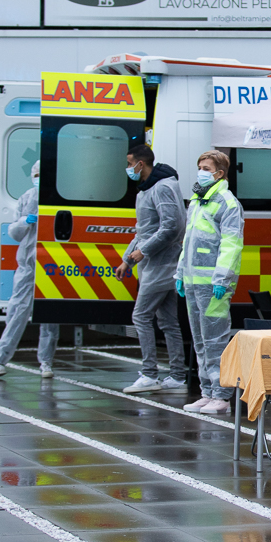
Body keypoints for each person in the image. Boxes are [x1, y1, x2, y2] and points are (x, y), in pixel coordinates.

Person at [176, 150, 244, 415]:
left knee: (215, 340)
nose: (201, 172)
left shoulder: (227, 203)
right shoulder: (198, 201)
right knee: (200, 340)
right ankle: (207, 392)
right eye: (200, 167)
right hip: (194, 282)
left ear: (220, 173)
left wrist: (222, 279)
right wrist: (180, 273)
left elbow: (231, 244)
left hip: (214, 285)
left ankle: (222, 396)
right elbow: (188, 241)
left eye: (206, 168)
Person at [0, 161, 60, 379]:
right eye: (37, 174)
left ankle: (46, 362)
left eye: (43, 174)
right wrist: (25, 221)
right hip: (28, 264)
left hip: (52, 263)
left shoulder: (58, 197)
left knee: (49, 315)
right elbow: (15, 233)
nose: (39, 178)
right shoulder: (27, 198)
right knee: (17, 312)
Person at [117, 145, 189, 394]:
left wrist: (143, 251)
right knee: (168, 321)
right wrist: (128, 260)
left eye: (130, 163)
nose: (128, 168)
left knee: (141, 316)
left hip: (161, 265)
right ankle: (177, 377)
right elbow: (144, 230)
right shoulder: (147, 189)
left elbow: (172, 227)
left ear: (141, 164)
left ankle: (149, 374)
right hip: (158, 265)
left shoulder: (162, 187)